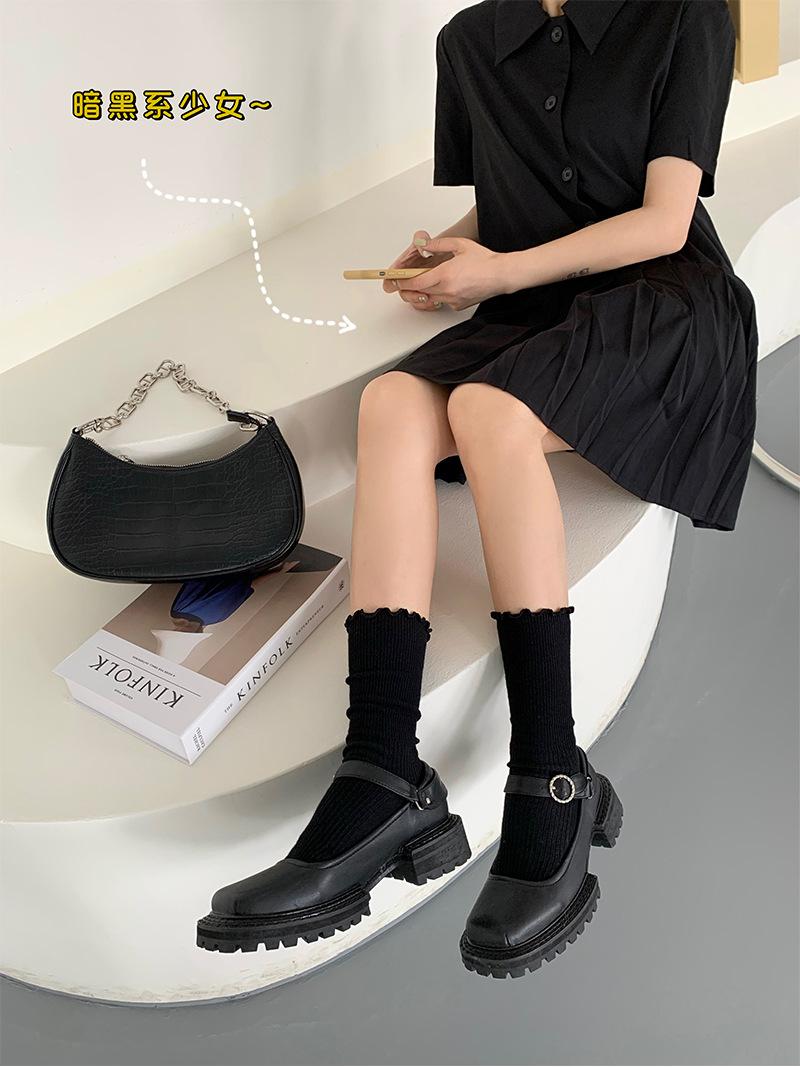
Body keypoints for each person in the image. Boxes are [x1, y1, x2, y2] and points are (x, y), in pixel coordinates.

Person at [198, 0, 758, 978]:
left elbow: (663, 221)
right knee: (389, 404)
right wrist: (448, 256)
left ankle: (552, 772)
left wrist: (497, 275)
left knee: (489, 412)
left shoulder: (683, 14)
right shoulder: (468, 41)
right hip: (534, 302)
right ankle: (383, 769)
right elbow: (507, 203)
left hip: (663, 298)